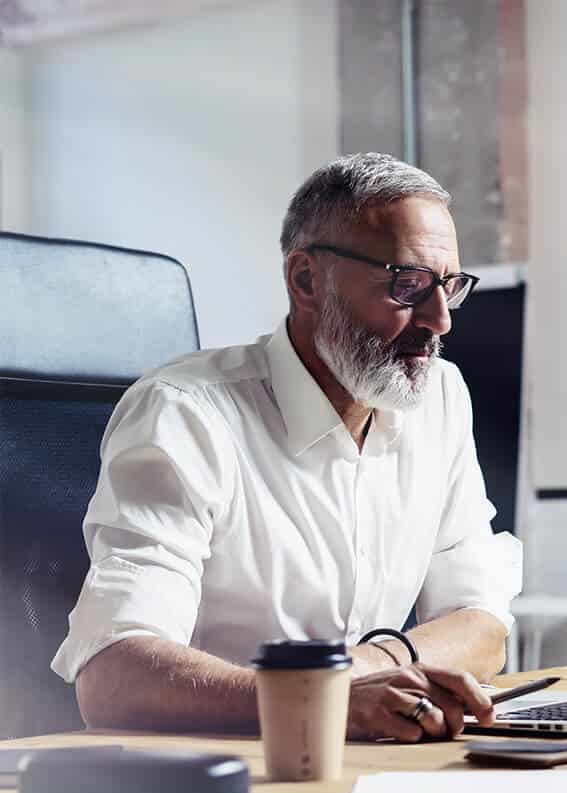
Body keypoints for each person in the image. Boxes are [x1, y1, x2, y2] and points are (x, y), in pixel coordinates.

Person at [51, 153, 522, 742]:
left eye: (449, 287)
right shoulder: (185, 412)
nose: (441, 320)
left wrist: (364, 671)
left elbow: (481, 625)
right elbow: (112, 679)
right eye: (408, 285)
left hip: (370, 764)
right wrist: (324, 702)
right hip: (216, 781)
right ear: (305, 280)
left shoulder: (440, 399)